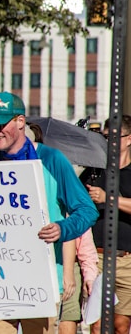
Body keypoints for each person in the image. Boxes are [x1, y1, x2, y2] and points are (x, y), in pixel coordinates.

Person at [0, 91, 98, 334]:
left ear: (20, 121)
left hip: (40, 283)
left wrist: (62, 228)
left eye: (1, 124)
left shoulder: (52, 159)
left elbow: (86, 210)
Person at [80, 114, 131, 334]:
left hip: (127, 260)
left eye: (115, 137)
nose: (110, 141)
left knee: (121, 325)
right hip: (98, 258)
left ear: (129, 139)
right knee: (97, 324)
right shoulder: (93, 171)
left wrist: (107, 198)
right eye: (106, 136)